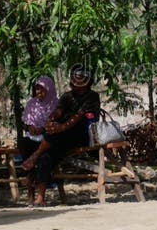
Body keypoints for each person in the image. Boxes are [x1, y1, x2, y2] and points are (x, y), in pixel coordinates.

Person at [21, 65, 101, 205]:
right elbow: (58, 111)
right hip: (62, 137)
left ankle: (34, 156)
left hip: (82, 134)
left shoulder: (92, 97)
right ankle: (40, 197)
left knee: (54, 137)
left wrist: (61, 127)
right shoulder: (67, 96)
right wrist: (51, 119)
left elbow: (78, 117)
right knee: (45, 157)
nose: (76, 85)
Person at [19, 75, 58, 206]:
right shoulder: (32, 103)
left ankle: (40, 196)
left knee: (44, 159)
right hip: (32, 139)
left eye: (42, 89)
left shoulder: (56, 105)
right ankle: (30, 177)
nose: (39, 93)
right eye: (37, 89)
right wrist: (30, 127)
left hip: (47, 140)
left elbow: (57, 124)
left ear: (49, 89)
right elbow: (25, 122)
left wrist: (42, 129)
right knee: (23, 143)